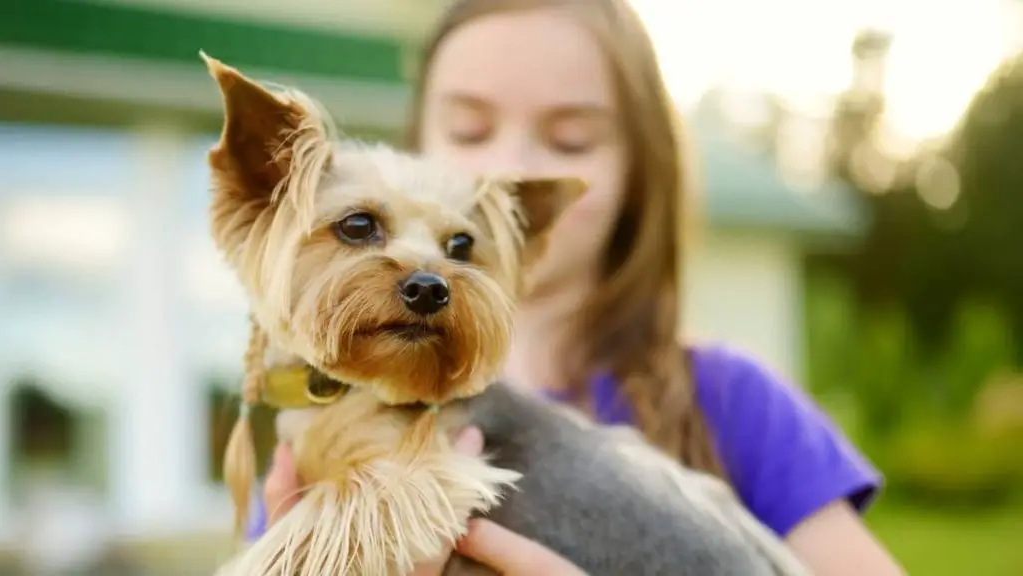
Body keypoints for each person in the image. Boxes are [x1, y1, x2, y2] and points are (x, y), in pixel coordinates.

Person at [249, 1, 905, 574]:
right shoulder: (324, 437)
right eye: (470, 130)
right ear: (414, 149)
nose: (513, 165)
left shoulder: (734, 404)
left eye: (570, 139)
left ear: (640, 171)